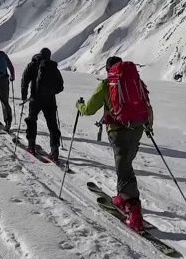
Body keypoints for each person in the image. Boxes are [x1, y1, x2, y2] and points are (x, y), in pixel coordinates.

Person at [77, 56, 152, 231]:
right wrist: (148, 125)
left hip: (118, 131)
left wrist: (79, 106)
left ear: (108, 69)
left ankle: (133, 211)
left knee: (124, 169)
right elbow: (146, 105)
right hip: (138, 129)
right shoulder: (136, 82)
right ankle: (122, 196)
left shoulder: (106, 85)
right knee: (126, 165)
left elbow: (89, 109)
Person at [21, 47, 64, 160]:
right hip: (50, 100)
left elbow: (24, 80)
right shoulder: (53, 67)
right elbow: (60, 86)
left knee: (32, 121)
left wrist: (24, 96)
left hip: (35, 99)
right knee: (52, 124)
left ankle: (31, 146)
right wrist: (52, 92)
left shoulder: (32, 65)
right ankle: (54, 150)